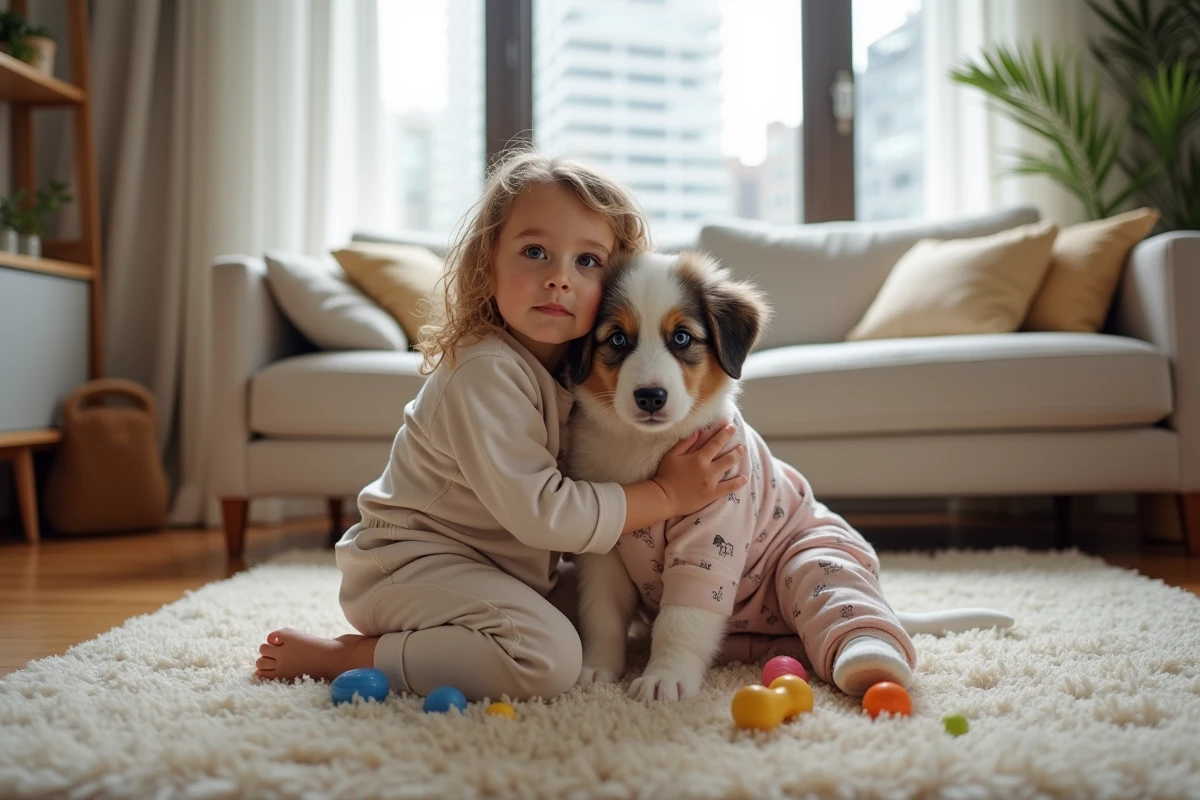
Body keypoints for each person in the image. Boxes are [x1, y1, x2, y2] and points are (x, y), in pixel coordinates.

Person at [253, 148, 747, 700]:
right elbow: (546, 513)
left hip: (497, 569)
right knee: (549, 658)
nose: (560, 279)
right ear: (488, 263)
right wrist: (665, 494)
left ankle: (449, 639)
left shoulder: (571, 368)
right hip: (408, 566)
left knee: (596, 609)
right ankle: (350, 655)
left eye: (586, 261)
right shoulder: (484, 369)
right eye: (536, 251)